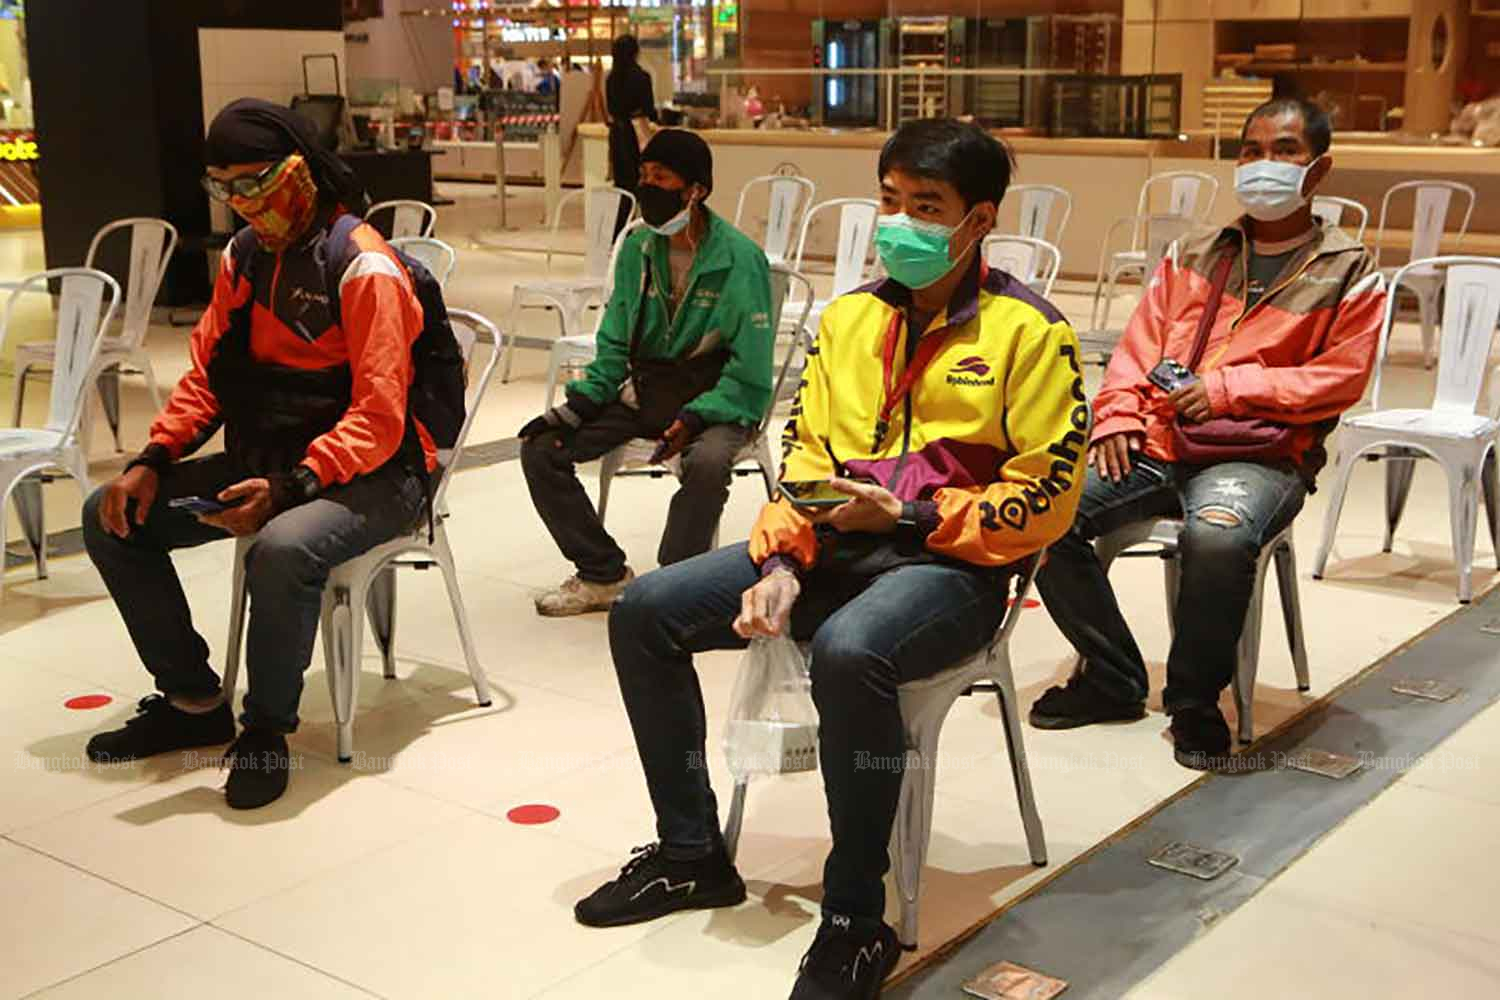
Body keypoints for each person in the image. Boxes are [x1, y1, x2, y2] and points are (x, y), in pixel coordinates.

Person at [574, 119, 1087, 999]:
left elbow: (1049, 496)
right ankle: (692, 850)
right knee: (644, 612)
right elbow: (806, 455)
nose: (901, 223)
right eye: (891, 201)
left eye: (927, 207)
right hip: (832, 546)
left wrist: (918, 512)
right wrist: (780, 562)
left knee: (852, 652)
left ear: (979, 220)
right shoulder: (850, 320)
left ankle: (856, 916)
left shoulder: (1030, 334)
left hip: (955, 569)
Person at [80, 99, 435, 809]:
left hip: (379, 474)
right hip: (273, 458)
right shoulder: (244, 258)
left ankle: (267, 731)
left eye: (255, 180)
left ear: (300, 171)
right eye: (226, 186)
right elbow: (211, 377)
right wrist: (153, 457)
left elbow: (379, 416)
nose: (244, 201)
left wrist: (294, 485)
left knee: (282, 547)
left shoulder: (363, 266)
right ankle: (191, 703)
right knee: (108, 516)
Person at [1032, 98, 1387, 769]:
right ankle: (1112, 676)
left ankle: (1194, 699)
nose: (1262, 166)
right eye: (1250, 151)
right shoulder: (1194, 253)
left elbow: (1339, 378)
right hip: (1160, 439)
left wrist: (1228, 388)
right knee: (1045, 508)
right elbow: (1139, 346)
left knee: (1217, 536)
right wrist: (1118, 415)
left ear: (1320, 168)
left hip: (1263, 452)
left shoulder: (1348, 269)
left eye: (1283, 151)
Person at [520, 129, 773, 617]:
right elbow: (613, 340)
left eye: (662, 177)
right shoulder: (638, 248)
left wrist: (699, 417)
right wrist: (579, 405)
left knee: (705, 464)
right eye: (644, 176)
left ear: (695, 189)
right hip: (648, 393)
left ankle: (675, 587)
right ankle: (603, 574)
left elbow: (752, 369)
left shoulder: (740, 260)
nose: (648, 187)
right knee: (540, 450)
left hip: (718, 399)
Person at [606, 34, 657, 237]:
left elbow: (611, 108)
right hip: (637, 134)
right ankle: (644, 228)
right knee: (643, 181)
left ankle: (619, 233)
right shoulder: (642, 77)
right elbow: (649, 110)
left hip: (618, 135)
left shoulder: (611, 78)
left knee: (622, 185)